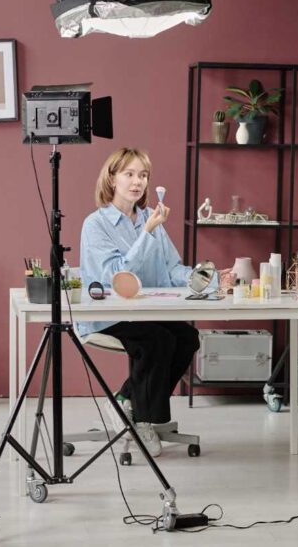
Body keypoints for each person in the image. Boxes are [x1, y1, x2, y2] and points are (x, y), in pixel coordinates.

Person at [78, 147, 228, 457]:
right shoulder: (96, 225)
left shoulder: (149, 217)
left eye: (143, 175)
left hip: (145, 312)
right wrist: (146, 233)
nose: (137, 182)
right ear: (112, 178)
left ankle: (124, 401)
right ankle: (144, 420)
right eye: (129, 174)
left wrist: (213, 279)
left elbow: (172, 268)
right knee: (157, 341)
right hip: (109, 314)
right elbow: (115, 277)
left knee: (186, 337)